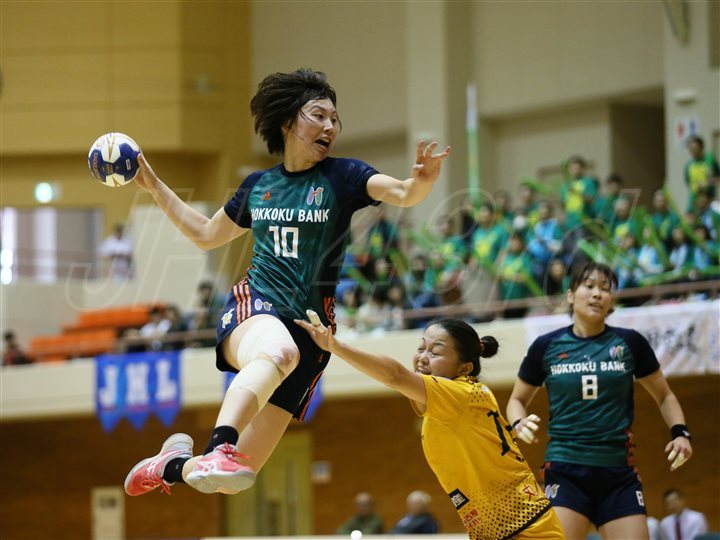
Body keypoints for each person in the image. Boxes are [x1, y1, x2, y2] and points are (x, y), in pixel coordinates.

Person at [123, 68, 450, 496]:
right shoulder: (260, 185)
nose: (330, 126)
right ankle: (220, 445)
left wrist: (421, 182)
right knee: (278, 352)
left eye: (334, 118)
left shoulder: (344, 177)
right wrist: (152, 185)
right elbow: (205, 234)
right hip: (256, 305)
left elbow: (403, 193)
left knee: (230, 481)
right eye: (318, 115)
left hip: (312, 334)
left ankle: (171, 465)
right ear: (287, 123)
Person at [295, 315, 565, 539]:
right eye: (421, 348)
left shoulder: (460, 394)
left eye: (435, 352)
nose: (423, 357)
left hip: (527, 528)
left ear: (465, 368)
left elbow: (395, 376)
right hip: (500, 530)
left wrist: (335, 346)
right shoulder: (449, 404)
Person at [506, 261, 694, 540]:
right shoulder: (546, 345)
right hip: (565, 470)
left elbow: (665, 395)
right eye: (589, 286)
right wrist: (518, 423)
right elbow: (516, 400)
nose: (597, 293)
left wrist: (680, 433)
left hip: (618, 473)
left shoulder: (630, 343)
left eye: (605, 288)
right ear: (571, 295)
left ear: (611, 300)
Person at [684, 135, 719, 211]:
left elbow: (718, 178)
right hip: (694, 201)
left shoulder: (710, 159)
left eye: (694, 148)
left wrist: (708, 183)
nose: (692, 150)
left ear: (701, 147)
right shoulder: (689, 165)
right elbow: (688, 183)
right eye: (690, 148)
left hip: (709, 200)